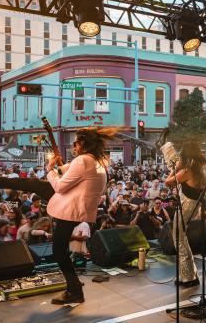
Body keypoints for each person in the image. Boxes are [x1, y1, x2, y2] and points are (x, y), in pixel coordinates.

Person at [45, 127, 117, 305]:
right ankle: (74, 288)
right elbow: (74, 175)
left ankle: (74, 290)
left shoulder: (82, 160)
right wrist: (60, 168)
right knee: (60, 249)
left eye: (76, 142)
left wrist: (50, 170)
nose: (73, 145)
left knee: (59, 250)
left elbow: (61, 187)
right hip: (80, 210)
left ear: (84, 143)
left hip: (70, 210)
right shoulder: (98, 161)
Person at [160, 132, 206, 288]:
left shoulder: (187, 170)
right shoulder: (202, 166)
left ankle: (188, 276)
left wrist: (176, 168)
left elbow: (168, 182)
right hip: (196, 202)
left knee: (179, 237)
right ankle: (189, 272)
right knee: (181, 236)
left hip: (187, 203)